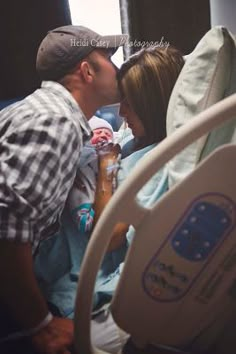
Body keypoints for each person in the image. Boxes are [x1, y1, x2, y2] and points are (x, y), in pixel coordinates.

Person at [34, 45, 185, 353]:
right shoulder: (131, 138)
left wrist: (106, 168)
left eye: (128, 103)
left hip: (80, 273)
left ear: (152, 105)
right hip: (47, 252)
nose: (120, 112)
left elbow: (111, 234)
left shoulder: (162, 159)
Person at [0, 24, 127, 354]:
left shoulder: (38, 110)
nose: (116, 69)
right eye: (108, 58)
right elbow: (7, 227)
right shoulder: (55, 122)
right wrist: (40, 325)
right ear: (86, 71)